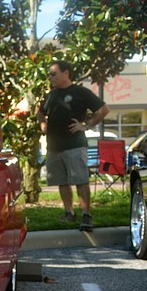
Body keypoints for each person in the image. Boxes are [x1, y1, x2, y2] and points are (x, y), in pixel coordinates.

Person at [37, 60, 110, 232]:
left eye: (53, 73)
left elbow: (103, 110)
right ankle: (69, 212)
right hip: (54, 147)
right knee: (62, 181)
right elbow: (40, 113)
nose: (50, 77)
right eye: (49, 74)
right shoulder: (51, 95)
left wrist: (86, 126)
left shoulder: (80, 92)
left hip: (74, 146)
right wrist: (43, 125)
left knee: (80, 180)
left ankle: (86, 215)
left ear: (66, 73)